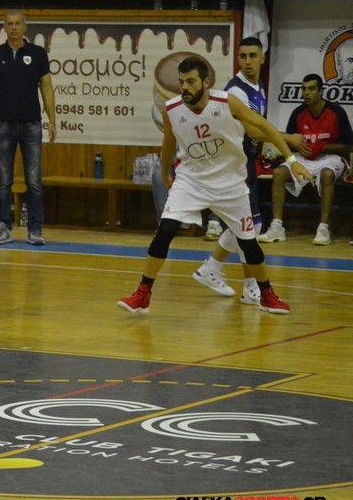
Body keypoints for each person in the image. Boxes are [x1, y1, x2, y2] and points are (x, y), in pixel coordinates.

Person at [118, 55, 311, 316]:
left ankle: (267, 294)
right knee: (165, 230)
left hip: (229, 183)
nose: (184, 87)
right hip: (191, 180)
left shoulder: (227, 102)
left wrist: (291, 160)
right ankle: (143, 294)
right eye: (181, 82)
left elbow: (263, 127)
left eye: (191, 81)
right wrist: (164, 173)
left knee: (248, 243)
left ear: (206, 82)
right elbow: (169, 142)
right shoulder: (172, 108)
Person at [192, 37, 268, 304]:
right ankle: (249, 286)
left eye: (252, 55)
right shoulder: (236, 90)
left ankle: (211, 268)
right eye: (243, 56)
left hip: (245, 160)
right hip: (234, 163)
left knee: (247, 224)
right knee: (250, 225)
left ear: (262, 58)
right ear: (238, 59)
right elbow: (253, 130)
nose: (247, 61)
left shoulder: (257, 86)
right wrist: (286, 140)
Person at [0, 9, 57, 245]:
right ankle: (3, 228)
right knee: (4, 180)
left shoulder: (38, 53)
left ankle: (35, 229)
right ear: (4, 27)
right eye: (9, 24)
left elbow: (46, 88)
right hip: (3, 124)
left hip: (32, 125)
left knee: (34, 180)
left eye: (17, 23)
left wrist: (52, 120)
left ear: (25, 27)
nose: (13, 27)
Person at [257, 73, 353, 246]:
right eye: (304, 89)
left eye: (311, 89)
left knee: (326, 174)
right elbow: (290, 142)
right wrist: (299, 148)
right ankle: (277, 226)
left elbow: (349, 146)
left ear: (321, 91)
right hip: (305, 158)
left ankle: (324, 228)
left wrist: (323, 147)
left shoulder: (336, 112)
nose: (306, 93)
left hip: (332, 157)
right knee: (278, 173)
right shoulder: (298, 113)